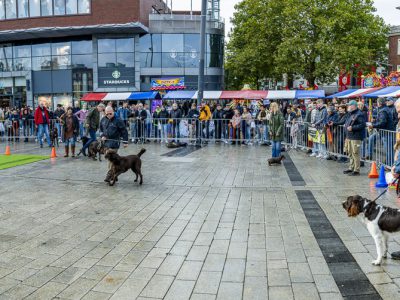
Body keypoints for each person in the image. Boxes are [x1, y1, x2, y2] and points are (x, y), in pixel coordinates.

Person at [100, 106, 129, 183]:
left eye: (110, 113)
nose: (109, 115)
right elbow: (101, 130)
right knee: (109, 160)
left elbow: (124, 131)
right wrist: (102, 136)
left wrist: (125, 142)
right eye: (107, 114)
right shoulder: (103, 120)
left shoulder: (118, 120)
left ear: (113, 111)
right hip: (106, 143)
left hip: (114, 143)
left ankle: (109, 176)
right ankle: (114, 175)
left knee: (111, 160)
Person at [368, 98, 394, 166]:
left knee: (389, 149)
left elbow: (383, 122)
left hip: (387, 132)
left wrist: (373, 126)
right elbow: (381, 120)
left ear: (379, 103)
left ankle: (389, 164)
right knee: (371, 138)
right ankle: (369, 155)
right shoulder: (383, 109)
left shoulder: (383, 110)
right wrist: (375, 121)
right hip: (383, 131)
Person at [342, 100, 366, 176]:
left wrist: (353, 128)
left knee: (355, 153)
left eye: (349, 105)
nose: (348, 107)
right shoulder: (350, 114)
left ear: (353, 106)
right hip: (349, 136)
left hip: (356, 136)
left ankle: (356, 170)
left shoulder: (359, 114)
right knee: (350, 153)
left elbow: (362, 125)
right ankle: (351, 167)